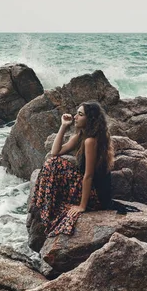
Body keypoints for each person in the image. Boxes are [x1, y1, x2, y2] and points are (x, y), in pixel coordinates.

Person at [31, 101, 114, 237]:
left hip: (96, 195)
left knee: (53, 164)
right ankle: (45, 205)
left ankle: (44, 206)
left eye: (80, 114)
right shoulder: (82, 136)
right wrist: (63, 126)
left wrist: (82, 207)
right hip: (86, 185)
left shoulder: (90, 141)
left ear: (90, 119)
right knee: (53, 162)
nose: (75, 117)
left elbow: (89, 175)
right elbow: (55, 152)